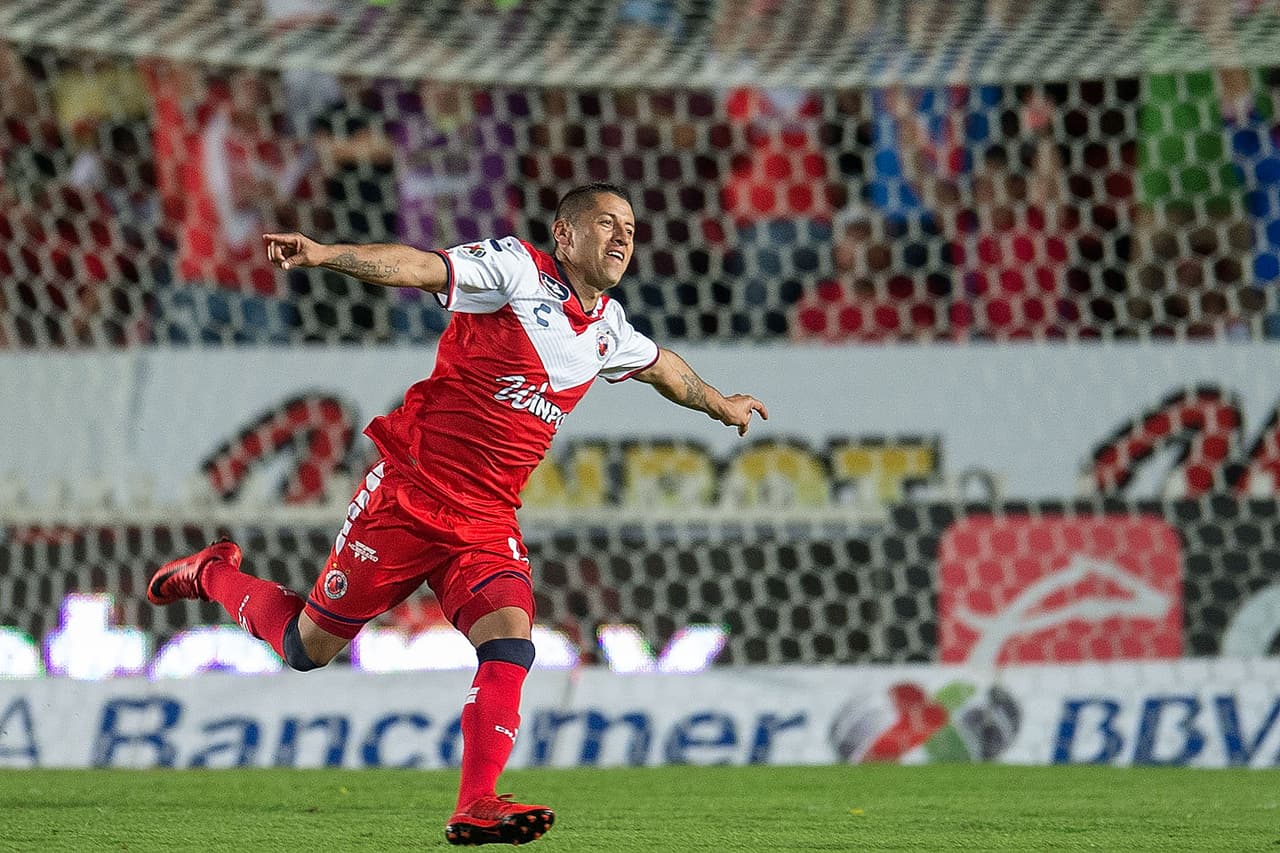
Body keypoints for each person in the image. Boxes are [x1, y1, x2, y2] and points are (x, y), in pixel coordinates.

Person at [146, 181, 768, 846]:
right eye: (607, 222)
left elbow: (664, 368)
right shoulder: (516, 270)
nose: (623, 237)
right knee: (306, 648)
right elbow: (419, 266)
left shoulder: (608, 328)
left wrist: (721, 404)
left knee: (510, 641)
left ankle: (477, 803)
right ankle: (212, 571)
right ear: (563, 235)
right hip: (409, 496)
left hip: (486, 520)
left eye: (632, 228)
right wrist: (326, 255)